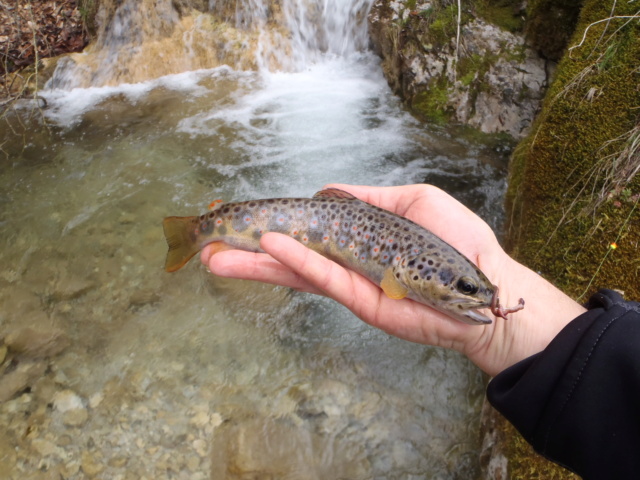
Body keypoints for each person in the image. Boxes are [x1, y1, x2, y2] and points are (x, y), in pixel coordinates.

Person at [200, 183, 640, 479]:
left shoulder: (425, 266)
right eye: (463, 287)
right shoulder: (409, 262)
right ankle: (203, 230)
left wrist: (491, 311)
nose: (475, 297)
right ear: (413, 268)